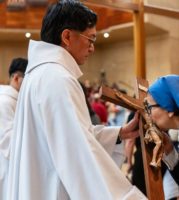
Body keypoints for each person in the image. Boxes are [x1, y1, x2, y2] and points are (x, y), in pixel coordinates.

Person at [6, 1, 146, 199]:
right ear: (67, 37)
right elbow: (78, 153)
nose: (92, 49)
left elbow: (74, 135)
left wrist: (120, 133)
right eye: (90, 39)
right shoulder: (58, 79)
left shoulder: (39, 74)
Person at [0, 58, 27, 200]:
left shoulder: (16, 100)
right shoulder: (4, 102)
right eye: (28, 79)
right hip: (7, 167)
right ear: (16, 78)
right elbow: (9, 143)